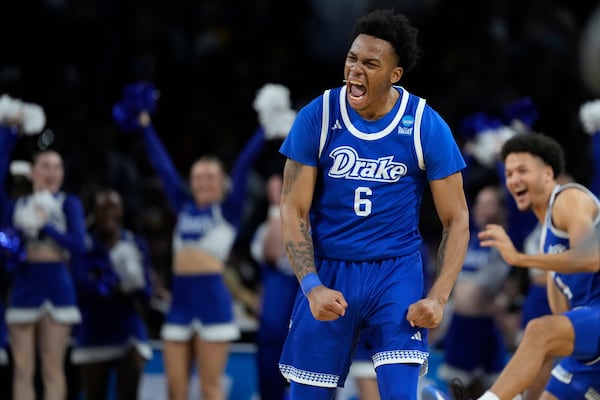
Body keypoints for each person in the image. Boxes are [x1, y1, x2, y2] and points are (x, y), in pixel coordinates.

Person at [277, 8, 470, 400]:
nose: (355, 70)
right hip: (330, 268)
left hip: (394, 271)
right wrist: (312, 286)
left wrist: (438, 297)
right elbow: (292, 208)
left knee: (399, 393)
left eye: (370, 63)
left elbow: (457, 218)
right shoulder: (319, 114)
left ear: (393, 75)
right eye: (351, 58)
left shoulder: (423, 124)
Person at [122, 92, 280, 400]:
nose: (203, 182)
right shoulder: (182, 206)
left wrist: (264, 127)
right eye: (197, 177)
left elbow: (244, 164)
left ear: (222, 182)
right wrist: (145, 126)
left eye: (210, 177)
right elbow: (164, 167)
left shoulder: (228, 211)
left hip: (213, 303)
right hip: (180, 303)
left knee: (210, 389)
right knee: (175, 390)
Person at [426, 133, 600, 400]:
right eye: (508, 173)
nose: (513, 180)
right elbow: (561, 319)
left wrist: (520, 259)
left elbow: (590, 258)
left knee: (538, 328)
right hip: (590, 348)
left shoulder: (570, 198)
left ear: (547, 173)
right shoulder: (547, 239)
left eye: (522, 170)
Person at [0, 125, 86, 400]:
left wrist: (45, 226)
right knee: (23, 369)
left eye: (57, 167)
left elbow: (79, 244)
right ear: (33, 171)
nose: (51, 172)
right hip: (24, 284)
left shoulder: (68, 203)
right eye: (45, 166)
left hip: (58, 286)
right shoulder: (17, 205)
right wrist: (7, 135)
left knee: (52, 368)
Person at [70, 189, 154, 400]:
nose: (109, 213)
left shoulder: (135, 244)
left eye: (113, 207)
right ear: (94, 213)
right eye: (103, 208)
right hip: (94, 330)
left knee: (129, 393)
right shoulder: (84, 246)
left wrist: (136, 285)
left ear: (122, 212)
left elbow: (147, 294)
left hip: (128, 330)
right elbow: (81, 287)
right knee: (94, 395)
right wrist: (112, 280)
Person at [437, 185, 511, 398]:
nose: (480, 208)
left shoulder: (502, 242)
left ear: (500, 209)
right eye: (479, 203)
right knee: (457, 385)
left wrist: (505, 299)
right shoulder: (467, 238)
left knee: (488, 388)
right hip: (459, 324)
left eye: (489, 204)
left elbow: (506, 284)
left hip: (485, 324)